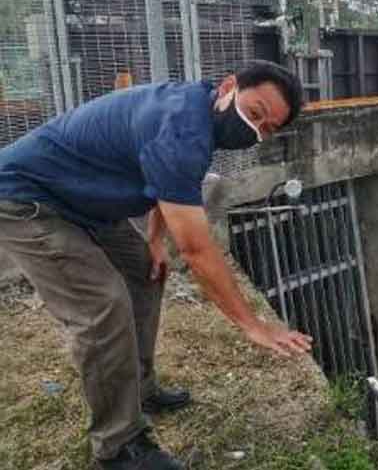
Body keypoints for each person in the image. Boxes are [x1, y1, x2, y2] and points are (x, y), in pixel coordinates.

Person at [0, 60, 313, 469]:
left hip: (81, 203)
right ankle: (117, 446)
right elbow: (198, 249)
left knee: (144, 273)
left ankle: (139, 389)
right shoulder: (182, 125)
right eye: (255, 114)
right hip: (29, 201)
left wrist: (153, 240)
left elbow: (169, 182)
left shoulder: (198, 110)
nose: (255, 130)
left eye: (266, 128)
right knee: (101, 308)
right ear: (229, 87)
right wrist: (251, 324)